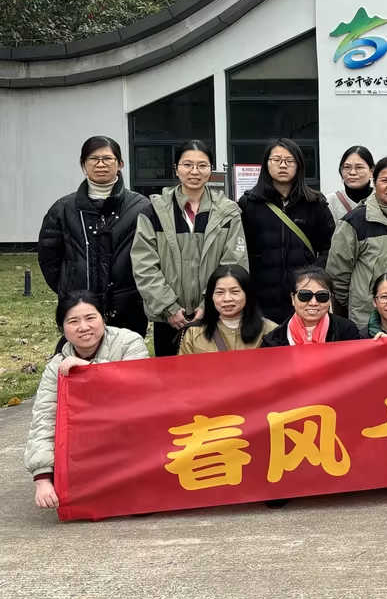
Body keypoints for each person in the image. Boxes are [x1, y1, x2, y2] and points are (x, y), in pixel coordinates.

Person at [25, 291, 150, 509]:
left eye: (90, 318)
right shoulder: (57, 366)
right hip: (89, 443)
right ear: (62, 328)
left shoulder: (129, 342)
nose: (83, 327)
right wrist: (42, 478)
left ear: (103, 318)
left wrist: (90, 370)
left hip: (133, 437)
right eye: (73, 321)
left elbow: (139, 389)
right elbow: (45, 417)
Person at [130, 140, 247, 357]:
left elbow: (234, 263)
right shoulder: (154, 211)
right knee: (170, 374)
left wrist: (209, 305)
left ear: (210, 170)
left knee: (215, 373)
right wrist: (169, 307)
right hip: (168, 320)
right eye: (187, 165)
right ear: (176, 168)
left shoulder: (228, 212)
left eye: (202, 165)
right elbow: (144, 265)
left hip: (215, 314)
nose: (195, 171)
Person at [38, 136, 150, 339]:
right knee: (82, 356)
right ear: (83, 164)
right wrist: (68, 288)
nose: (100, 164)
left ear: (120, 164)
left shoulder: (141, 207)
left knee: (127, 355)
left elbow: (151, 257)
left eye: (107, 159)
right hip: (79, 307)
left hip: (129, 306)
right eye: (93, 159)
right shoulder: (63, 209)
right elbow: (49, 259)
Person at [239, 138, 335, 325]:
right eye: (276, 160)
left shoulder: (315, 203)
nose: (283, 165)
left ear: (299, 165)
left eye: (290, 161)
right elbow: (240, 249)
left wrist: (313, 275)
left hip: (304, 296)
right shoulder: (249, 204)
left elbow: (329, 247)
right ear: (266, 164)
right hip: (260, 297)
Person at [327, 156, 387, 329]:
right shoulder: (355, 221)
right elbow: (337, 275)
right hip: (366, 319)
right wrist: (358, 303)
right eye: (385, 180)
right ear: (374, 183)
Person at [179, 265, 278, 353]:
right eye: (220, 292)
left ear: (247, 294)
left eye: (234, 292)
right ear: (211, 297)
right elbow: (184, 368)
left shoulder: (271, 331)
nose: (227, 299)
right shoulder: (194, 334)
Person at [260, 267, 365, 346]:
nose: (313, 302)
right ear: (293, 298)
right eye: (305, 295)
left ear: (330, 299)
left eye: (322, 296)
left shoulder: (347, 331)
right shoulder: (273, 341)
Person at [327, 145, 375, 224]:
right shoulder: (330, 202)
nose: (352, 173)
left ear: (371, 171)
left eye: (359, 167)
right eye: (347, 167)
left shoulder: (381, 200)